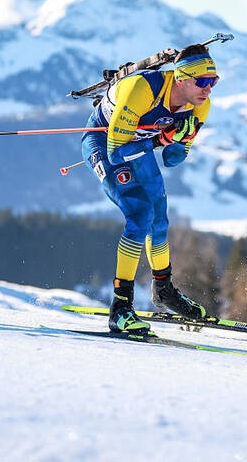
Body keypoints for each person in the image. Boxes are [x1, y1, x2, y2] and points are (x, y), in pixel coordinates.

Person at [81, 43, 219, 333]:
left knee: (159, 217)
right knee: (140, 214)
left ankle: (164, 290)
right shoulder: (142, 89)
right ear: (181, 78)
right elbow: (116, 153)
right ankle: (120, 308)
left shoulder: (200, 106)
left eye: (214, 81)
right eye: (203, 81)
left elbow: (172, 160)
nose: (208, 89)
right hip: (104, 144)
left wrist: (183, 139)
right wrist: (160, 140)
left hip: (138, 146)